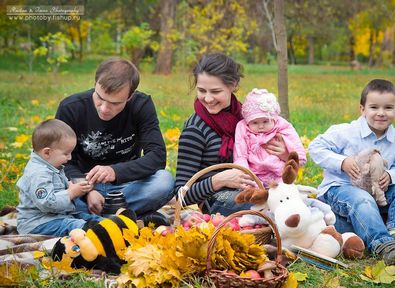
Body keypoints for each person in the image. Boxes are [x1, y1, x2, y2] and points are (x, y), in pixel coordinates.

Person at [308, 79, 395, 265]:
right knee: (362, 198)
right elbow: (315, 147)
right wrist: (342, 162)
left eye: (388, 108)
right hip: (340, 189)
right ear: (362, 109)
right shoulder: (345, 131)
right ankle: (382, 244)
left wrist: (392, 176)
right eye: (374, 107)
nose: (381, 113)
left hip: (378, 193)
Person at [55, 58, 174, 222]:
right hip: (80, 185)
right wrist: (87, 191)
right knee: (53, 187)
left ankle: (97, 217)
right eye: (100, 98)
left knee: (164, 181)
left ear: (130, 96)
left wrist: (115, 171)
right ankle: (122, 216)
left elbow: (157, 157)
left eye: (115, 103)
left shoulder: (141, 105)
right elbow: (62, 162)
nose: (104, 108)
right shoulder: (71, 108)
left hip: (127, 187)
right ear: (96, 83)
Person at [173, 53, 291, 215]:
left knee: (296, 201)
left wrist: (285, 154)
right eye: (201, 90)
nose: (207, 98)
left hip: (260, 184)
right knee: (277, 208)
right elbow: (180, 195)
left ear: (233, 85)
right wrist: (218, 180)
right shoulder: (195, 130)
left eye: (215, 91)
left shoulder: (249, 119)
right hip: (218, 198)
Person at [17, 119, 103, 236]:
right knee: (74, 225)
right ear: (47, 152)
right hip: (38, 222)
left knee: (87, 217)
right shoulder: (38, 174)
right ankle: (98, 234)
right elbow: (46, 203)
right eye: (66, 153)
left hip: (58, 215)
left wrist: (74, 186)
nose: (69, 157)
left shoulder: (51, 165)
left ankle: (112, 225)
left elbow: (57, 187)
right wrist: (71, 193)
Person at [234, 88, 306, 187]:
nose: (260, 126)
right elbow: (240, 153)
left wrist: (298, 157)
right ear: (248, 121)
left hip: (278, 172)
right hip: (255, 173)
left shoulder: (281, 124)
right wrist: (245, 174)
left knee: (284, 190)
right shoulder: (242, 128)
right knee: (254, 191)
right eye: (255, 122)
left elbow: (294, 139)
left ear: (274, 119)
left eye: (265, 121)